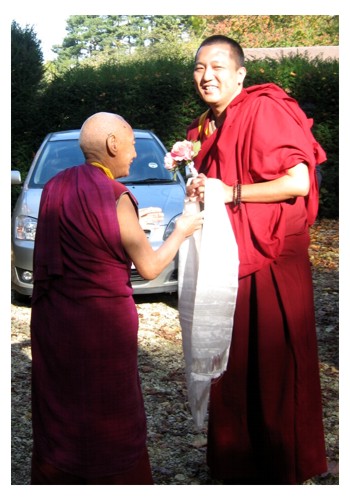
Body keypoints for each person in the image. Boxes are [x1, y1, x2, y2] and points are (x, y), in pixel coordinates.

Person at [30, 111, 204, 485]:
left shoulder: (57, 186)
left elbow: (82, 240)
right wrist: (180, 230)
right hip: (101, 324)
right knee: (107, 405)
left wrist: (133, 226)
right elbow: (151, 266)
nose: (133, 153)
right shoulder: (115, 194)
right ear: (112, 144)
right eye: (131, 144)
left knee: (61, 403)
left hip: (55, 319)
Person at [186, 35, 328, 485]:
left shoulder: (263, 108)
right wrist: (203, 191)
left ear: (241, 74)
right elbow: (220, 185)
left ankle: (283, 468)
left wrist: (231, 192)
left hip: (271, 262)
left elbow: (299, 181)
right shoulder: (207, 126)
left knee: (274, 368)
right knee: (232, 368)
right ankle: (237, 466)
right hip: (230, 259)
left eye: (218, 67)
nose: (207, 76)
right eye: (199, 68)